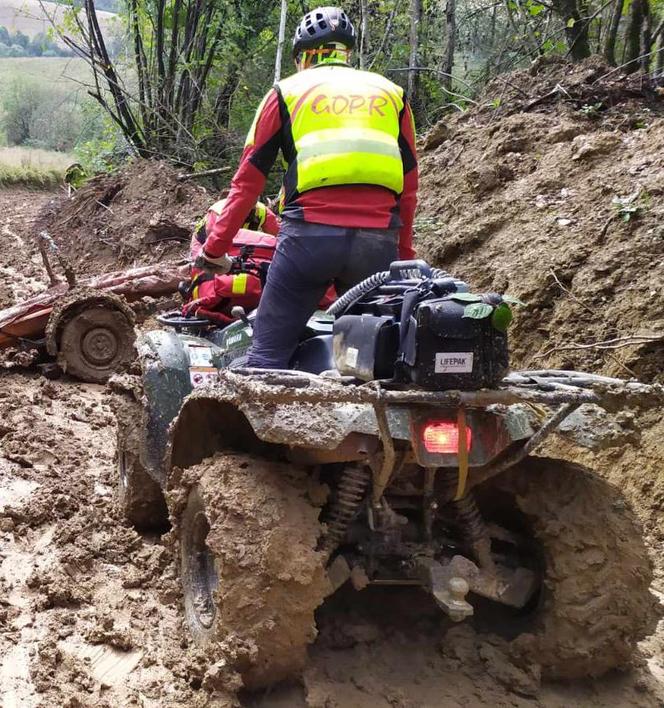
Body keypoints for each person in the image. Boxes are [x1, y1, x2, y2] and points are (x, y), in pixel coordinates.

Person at [196, 6, 418, 369]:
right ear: (348, 53)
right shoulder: (392, 95)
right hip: (378, 245)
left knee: (266, 358)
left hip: (308, 242)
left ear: (303, 57)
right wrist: (403, 257)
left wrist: (214, 250)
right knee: (379, 361)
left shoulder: (285, 92)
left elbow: (247, 185)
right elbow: (408, 191)